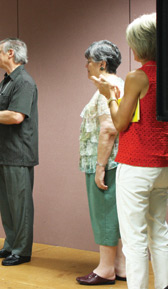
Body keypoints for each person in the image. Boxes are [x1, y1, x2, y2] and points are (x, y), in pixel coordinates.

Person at [93, 13, 168, 289]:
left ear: (141, 45)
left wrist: (110, 96)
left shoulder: (137, 77)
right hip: (164, 165)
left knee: (134, 239)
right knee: (159, 232)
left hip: (137, 164)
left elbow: (120, 122)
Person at [0, 38, 38, 266]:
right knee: (7, 204)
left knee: (20, 205)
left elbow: (16, 116)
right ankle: (11, 245)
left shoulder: (24, 82)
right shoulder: (5, 82)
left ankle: (21, 251)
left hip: (17, 154)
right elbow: (2, 114)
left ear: (10, 53)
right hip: (2, 152)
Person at [76, 40, 126, 285]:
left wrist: (99, 168)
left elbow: (108, 129)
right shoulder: (118, 84)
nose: (86, 65)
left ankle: (106, 269)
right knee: (113, 213)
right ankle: (120, 265)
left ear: (102, 64)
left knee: (104, 212)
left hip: (108, 163)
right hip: (116, 162)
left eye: (89, 61)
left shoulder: (108, 87)